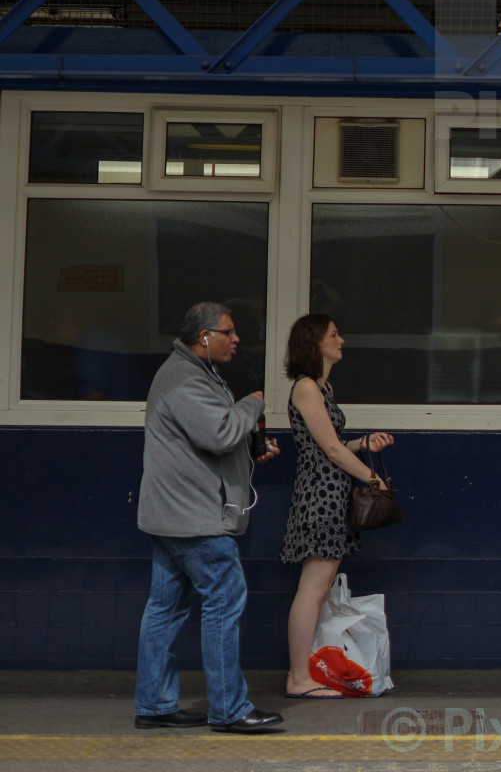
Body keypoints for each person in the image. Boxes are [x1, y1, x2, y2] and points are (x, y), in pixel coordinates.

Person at [134, 302, 284, 734]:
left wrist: (252, 447)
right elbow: (219, 434)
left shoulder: (192, 374)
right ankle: (230, 709)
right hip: (193, 518)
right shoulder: (184, 379)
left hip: (172, 515)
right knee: (224, 601)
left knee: (165, 608)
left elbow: (212, 435)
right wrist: (253, 404)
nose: (236, 339)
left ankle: (155, 704)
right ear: (204, 336)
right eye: (229, 332)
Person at [280, 314, 395, 698]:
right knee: (313, 588)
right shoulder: (308, 387)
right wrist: (371, 477)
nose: (341, 340)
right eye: (333, 335)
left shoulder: (323, 387)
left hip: (329, 490)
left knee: (319, 585)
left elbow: (331, 444)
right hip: (321, 493)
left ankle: (306, 671)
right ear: (315, 343)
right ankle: (299, 678)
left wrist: (363, 445)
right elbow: (328, 449)